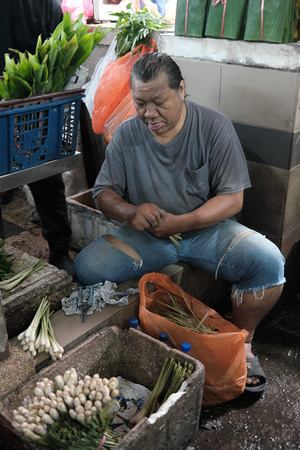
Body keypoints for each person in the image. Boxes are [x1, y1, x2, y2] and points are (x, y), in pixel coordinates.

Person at [74, 52, 285, 393]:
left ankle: (242, 343)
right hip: (150, 236)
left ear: (182, 90)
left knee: (269, 262)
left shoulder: (214, 126)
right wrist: (130, 212)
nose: (148, 113)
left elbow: (233, 199)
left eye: (158, 102)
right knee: (87, 268)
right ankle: (134, 338)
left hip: (208, 232)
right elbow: (103, 192)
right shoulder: (128, 135)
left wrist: (182, 222)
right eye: (140, 103)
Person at [0, 0, 74, 277]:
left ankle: (57, 251)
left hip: (25, 104)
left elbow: (59, 51)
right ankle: (58, 251)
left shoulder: (45, 4)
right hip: (35, 107)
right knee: (45, 177)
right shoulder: (47, 4)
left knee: (44, 177)